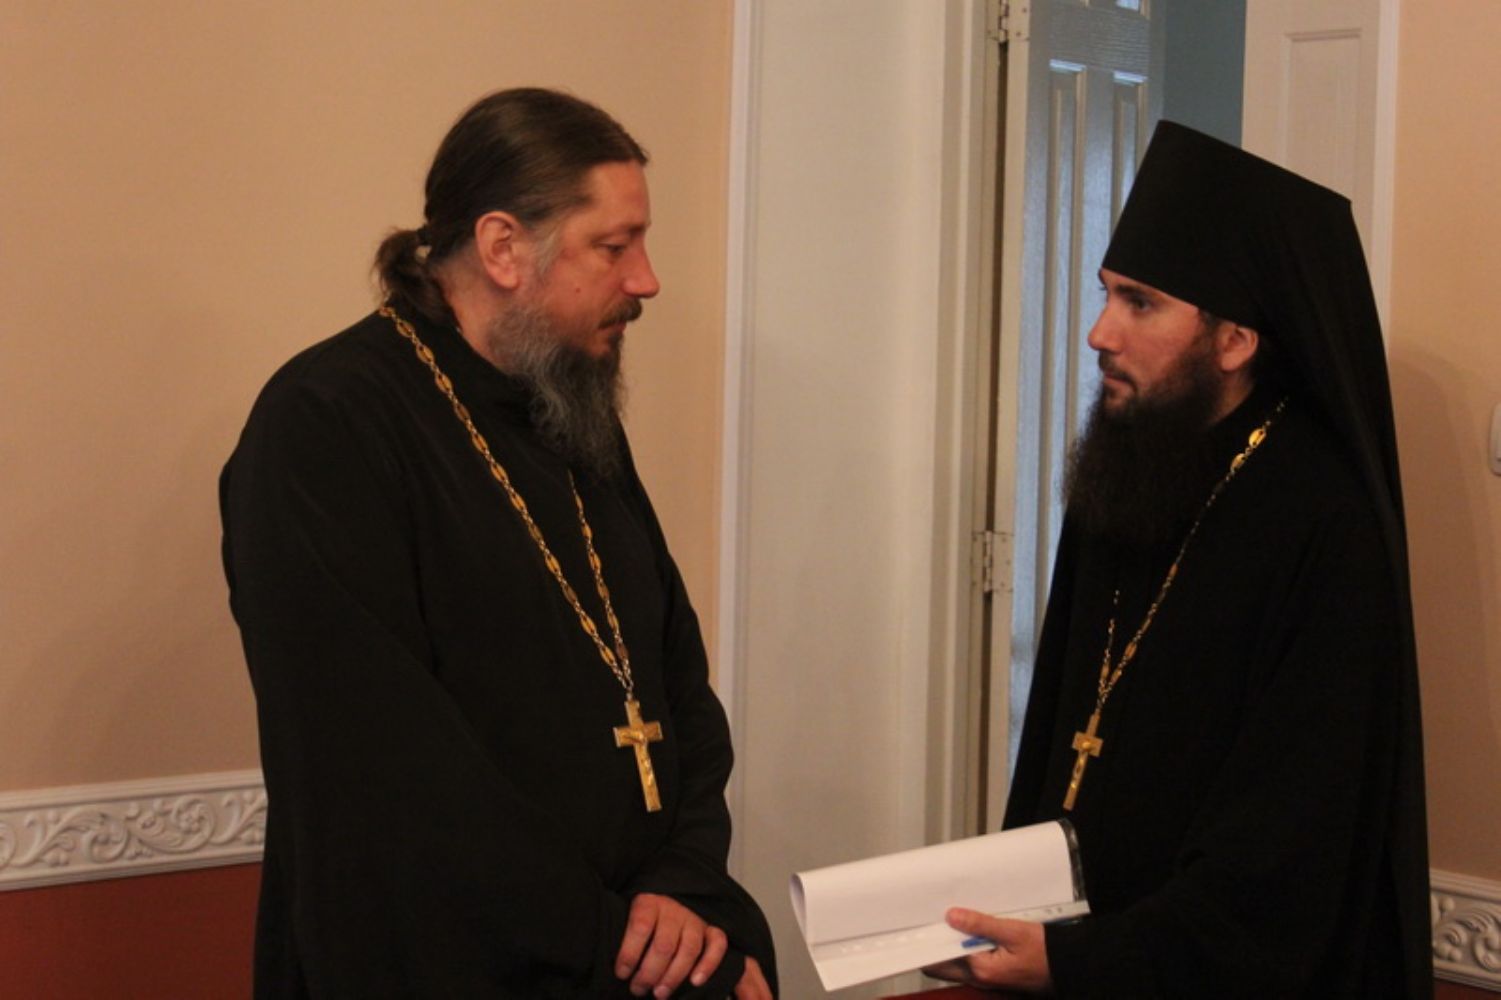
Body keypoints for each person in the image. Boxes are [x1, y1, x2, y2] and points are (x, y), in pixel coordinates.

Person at [220, 88, 776, 999]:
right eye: (614, 246)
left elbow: (673, 679)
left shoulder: (567, 407)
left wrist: (682, 884)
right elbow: (387, 773)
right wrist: (624, 951)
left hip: (636, 947)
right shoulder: (326, 427)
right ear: (502, 247)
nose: (646, 280)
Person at [926, 122, 1431, 996]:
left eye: (1139, 303)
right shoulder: (1131, 468)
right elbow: (1064, 737)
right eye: (1105, 295)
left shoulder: (1322, 523)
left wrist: (1084, 963)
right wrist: (1011, 922)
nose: (1098, 333)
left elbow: (1290, 843)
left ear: (1235, 340)